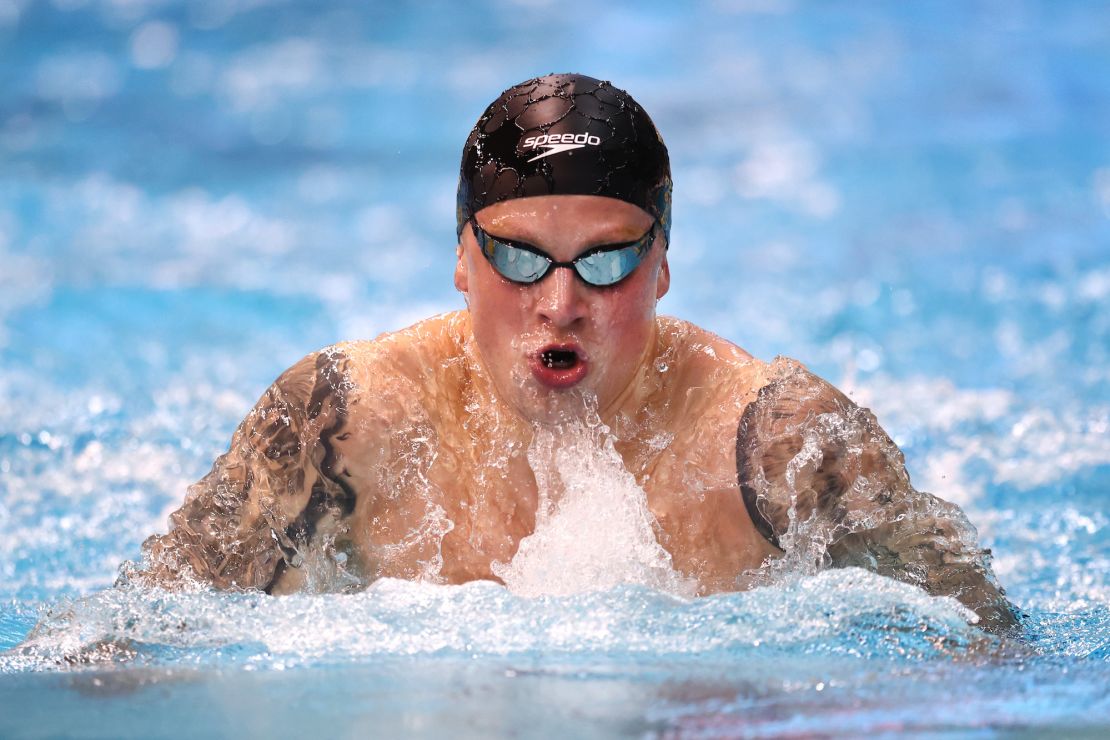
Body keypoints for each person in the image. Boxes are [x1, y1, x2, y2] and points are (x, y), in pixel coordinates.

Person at [131, 73, 1018, 632]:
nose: (560, 305)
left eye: (608, 260)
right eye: (517, 257)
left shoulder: (782, 448)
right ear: (459, 259)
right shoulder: (341, 423)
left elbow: (995, 654)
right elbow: (131, 637)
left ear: (663, 265)